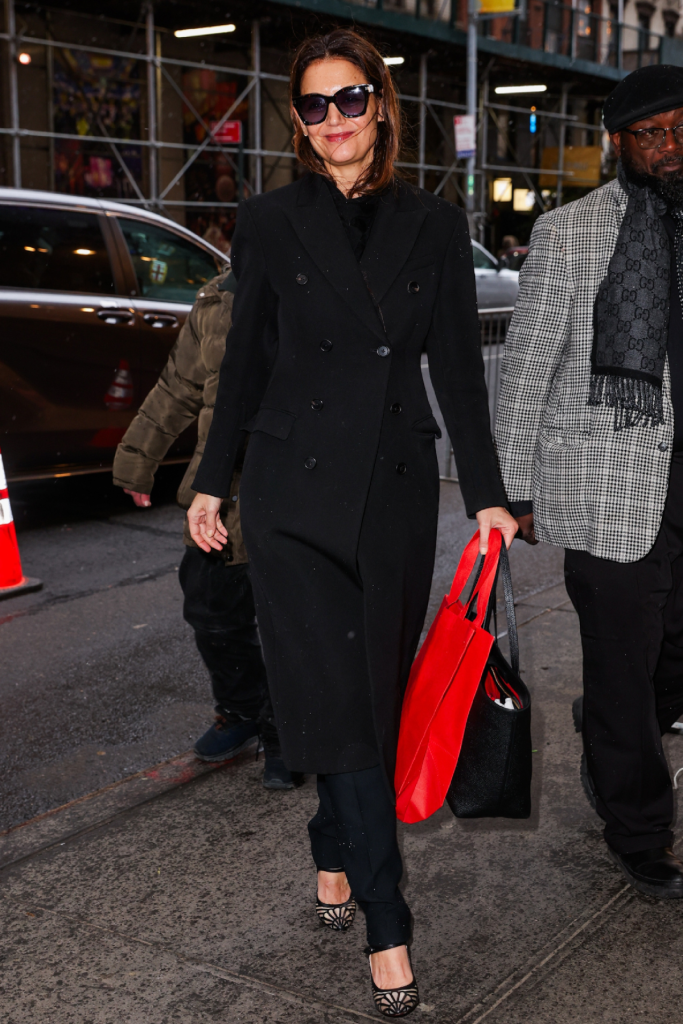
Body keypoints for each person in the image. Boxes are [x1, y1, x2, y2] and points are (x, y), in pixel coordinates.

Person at [188, 29, 516, 1018]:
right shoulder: (269, 221)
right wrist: (212, 481)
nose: (333, 119)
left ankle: (330, 843)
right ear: (299, 120)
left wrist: (488, 492)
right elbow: (241, 360)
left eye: (350, 99)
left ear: (380, 104)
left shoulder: (430, 221)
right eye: (314, 105)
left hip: (394, 490)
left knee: (360, 701)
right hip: (291, 491)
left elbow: (455, 369)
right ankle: (386, 920)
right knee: (335, 696)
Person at [495, 63, 683, 899]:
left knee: (664, 665)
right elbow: (526, 367)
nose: (670, 147)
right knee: (620, 663)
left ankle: (617, 722)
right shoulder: (572, 232)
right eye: (651, 133)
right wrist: (511, 487)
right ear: (617, 144)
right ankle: (638, 828)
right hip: (610, 479)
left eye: (681, 129)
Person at [112, 269, 297, 791]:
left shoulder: (311, 289)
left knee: (290, 622)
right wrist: (136, 459)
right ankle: (241, 712)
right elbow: (180, 385)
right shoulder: (216, 298)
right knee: (209, 607)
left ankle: (286, 735)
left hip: (286, 489)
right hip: (217, 491)